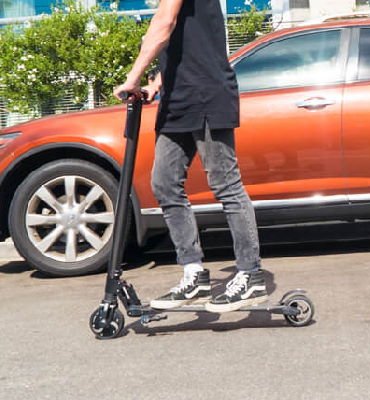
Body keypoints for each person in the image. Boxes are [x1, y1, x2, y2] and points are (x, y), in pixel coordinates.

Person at [113, 0, 267, 313]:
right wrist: (156, 82)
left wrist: (132, 76)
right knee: (164, 183)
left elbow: (164, 26)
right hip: (178, 99)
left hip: (208, 93)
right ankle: (193, 272)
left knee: (225, 184)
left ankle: (251, 274)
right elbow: (185, 40)